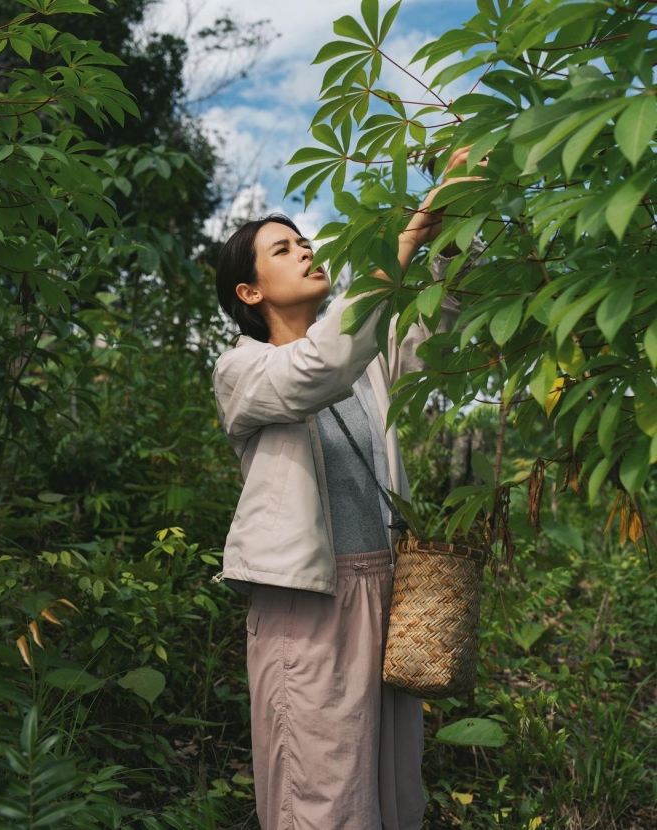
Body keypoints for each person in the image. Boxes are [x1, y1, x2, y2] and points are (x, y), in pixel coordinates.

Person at [212, 147, 484, 830]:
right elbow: (316, 369)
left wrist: (453, 218)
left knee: (392, 790)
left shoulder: (365, 361)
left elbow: (439, 321)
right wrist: (407, 237)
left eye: (306, 241)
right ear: (250, 292)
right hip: (310, 601)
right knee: (323, 792)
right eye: (283, 249)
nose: (306, 252)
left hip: (388, 592)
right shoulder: (243, 370)